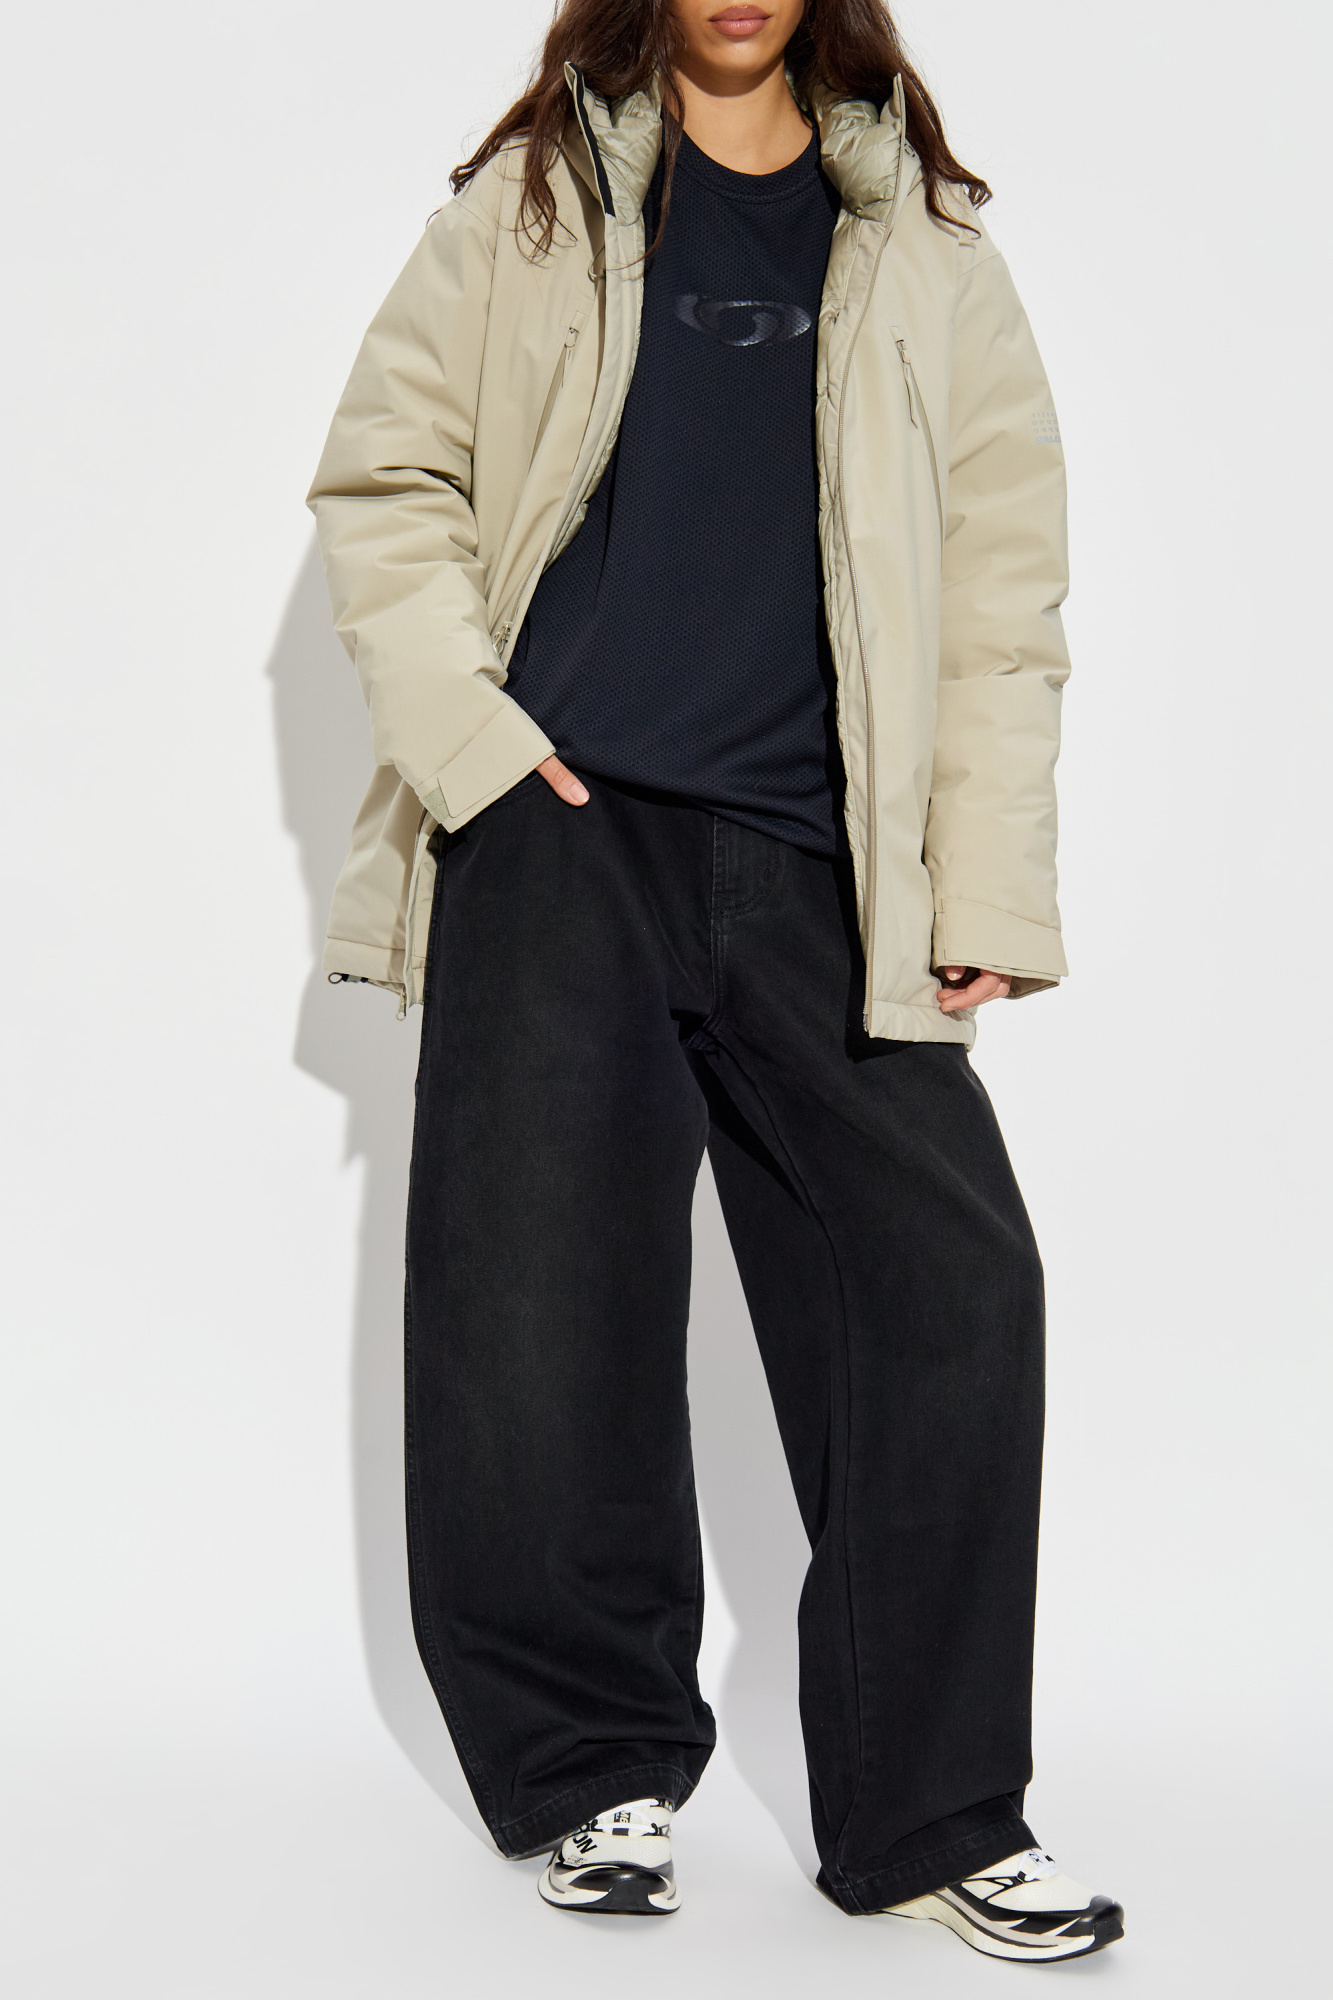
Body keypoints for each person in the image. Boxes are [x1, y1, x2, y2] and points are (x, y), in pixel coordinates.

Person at [307, 0, 1123, 1963]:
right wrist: (479, 754)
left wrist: (978, 877)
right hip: (561, 832)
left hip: (822, 859)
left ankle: (931, 1812)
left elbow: (1003, 591)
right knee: (543, 1314)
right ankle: (591, 1770)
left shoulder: (928, 249)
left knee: (951, 1292)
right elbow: (385, 482)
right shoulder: (528, 206)